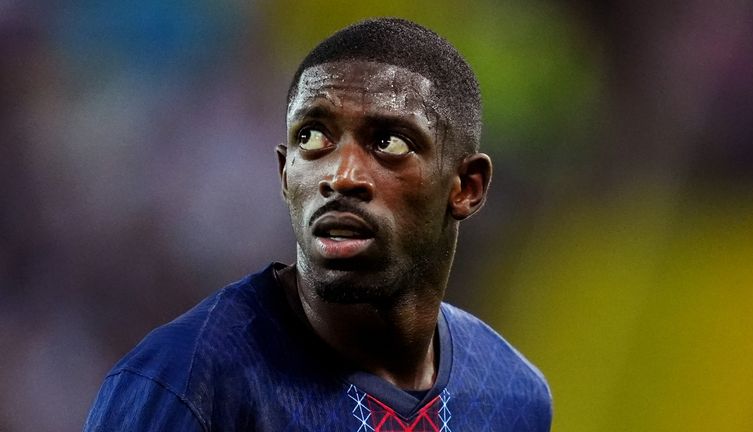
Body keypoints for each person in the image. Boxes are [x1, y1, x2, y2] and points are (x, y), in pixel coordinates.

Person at [83, 17, 552, 431]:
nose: (341, 176)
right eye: (313, 137)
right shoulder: (186, 382)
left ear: (467, 187)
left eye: (388, 142)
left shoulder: (514, 396)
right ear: (285, 173)